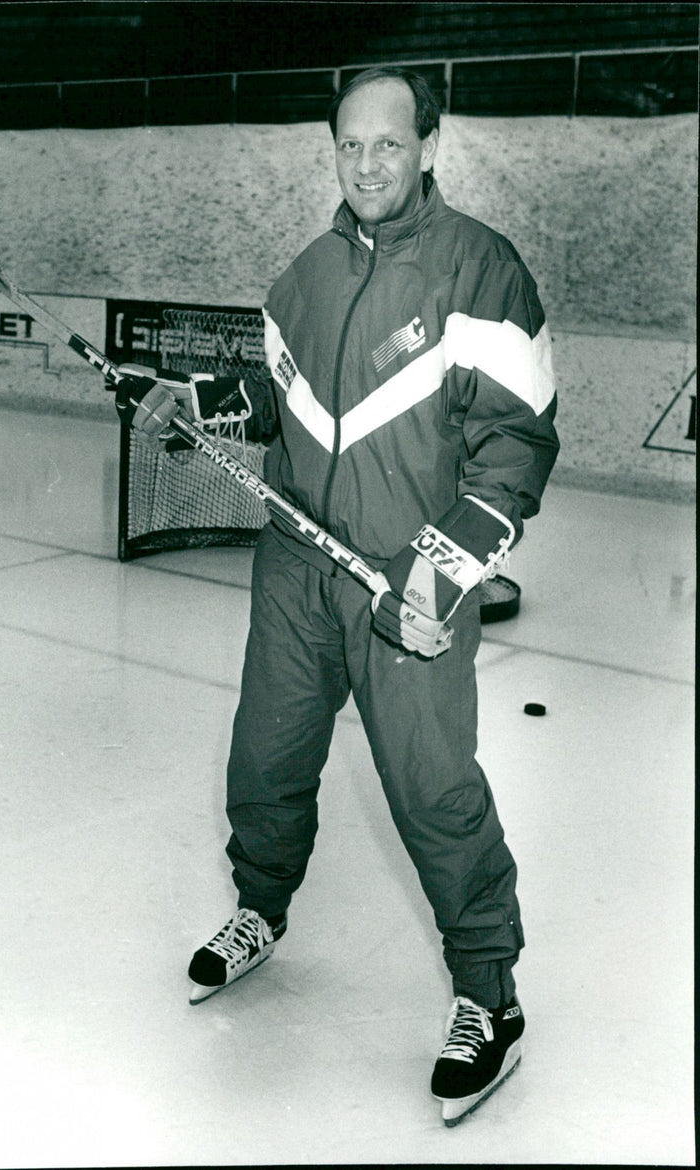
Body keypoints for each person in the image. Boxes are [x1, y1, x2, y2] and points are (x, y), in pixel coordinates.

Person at [115, 66, 559, 1126]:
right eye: (349, 146)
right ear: (333, 150)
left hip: (409, 578)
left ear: (428, 146)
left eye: (388, 144)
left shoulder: (481, 272)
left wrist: (442, 570)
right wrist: (201, 402)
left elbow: (517, 443)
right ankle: (259, 911)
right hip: (294, 574)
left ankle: (486, 996)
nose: (367, 164)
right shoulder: (299, 279)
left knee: (430, 790)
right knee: (263, 760)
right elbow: (286, 399)